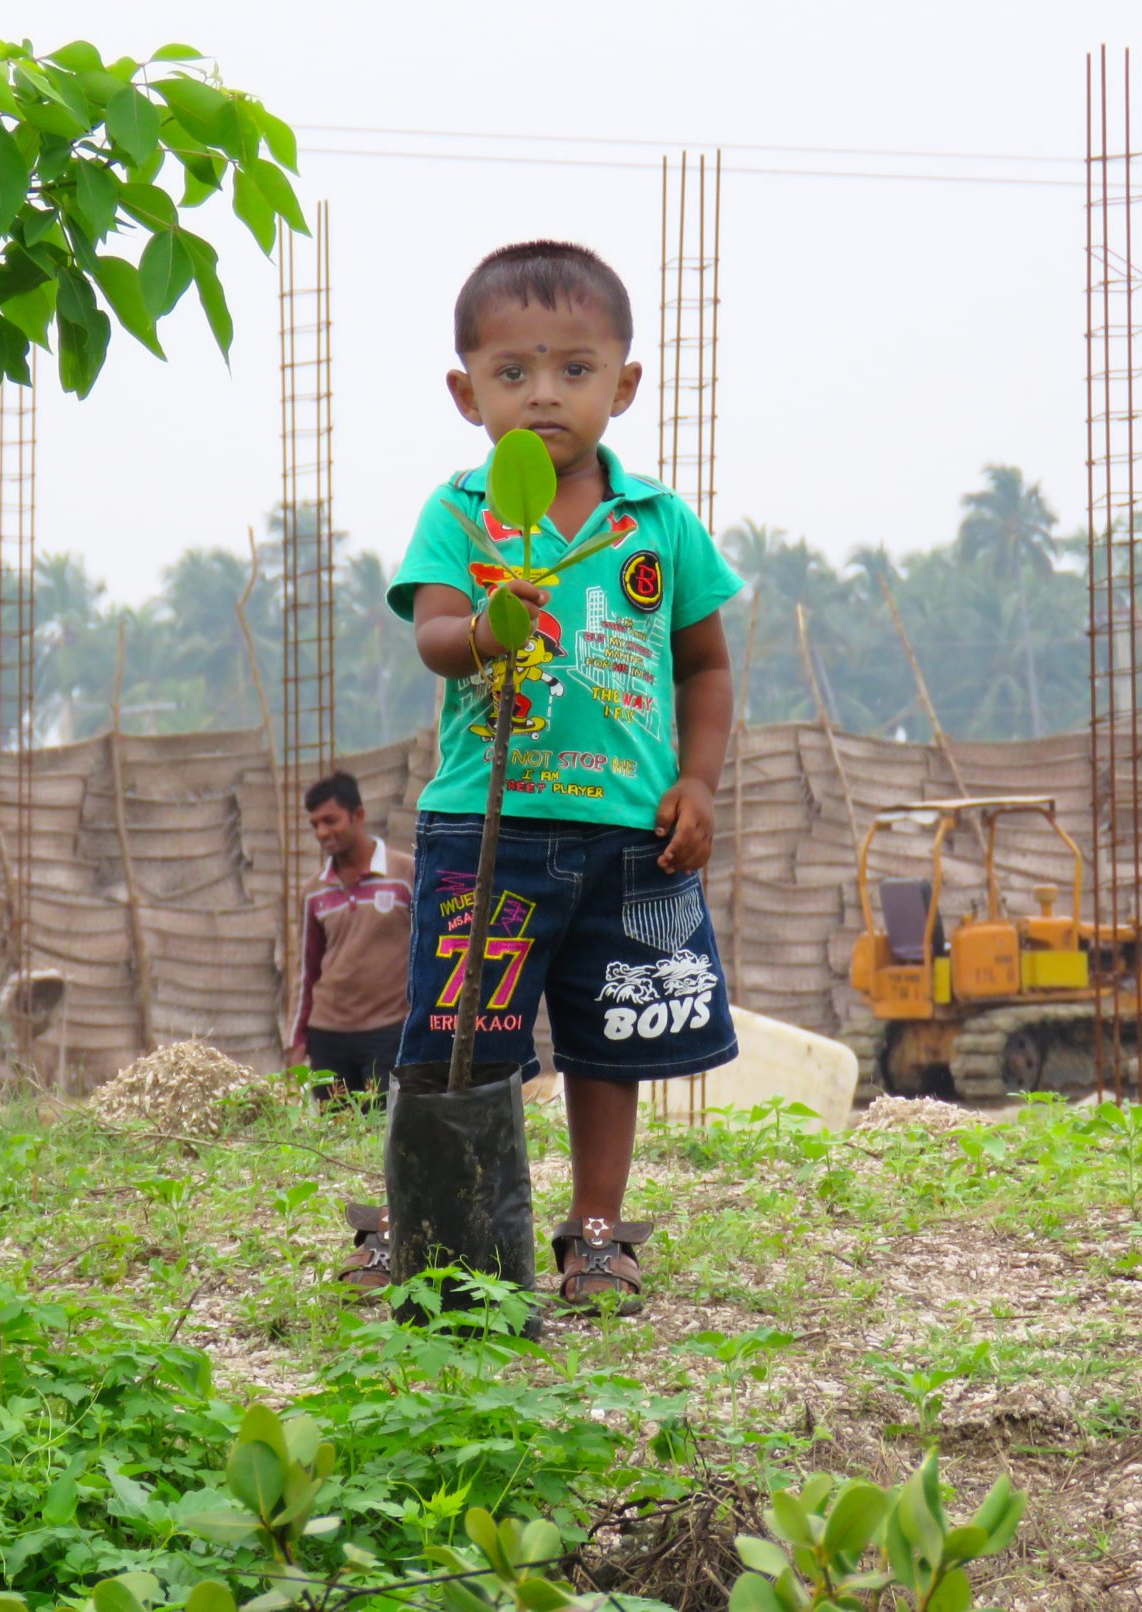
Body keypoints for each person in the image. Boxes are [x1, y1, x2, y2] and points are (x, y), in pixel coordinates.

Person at [378, 239, 743, 1316]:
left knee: (608, 1037)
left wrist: (700, 783)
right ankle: (433, 1227)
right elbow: (434, 636)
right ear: (465, 391)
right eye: (511, 372)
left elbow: (705, 665)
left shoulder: (657, 525)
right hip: (485, 830)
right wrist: (489, 626)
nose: (543, 394)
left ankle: (593, 1233)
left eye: (574, 370)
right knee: (457, 1037)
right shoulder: (461, 514)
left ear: (622, 384)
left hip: (626, 832)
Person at [287, 771, 415, 1105]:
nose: (322, 833)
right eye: (315, 825)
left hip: (390, 1032)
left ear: (358, 815)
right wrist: (297, 1039)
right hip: (328, 1035)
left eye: (330, 821)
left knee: (387, 1133)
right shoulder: (314, 891)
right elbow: (307, 972)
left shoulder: (405, 875)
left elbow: (432, 951)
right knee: (337, 1140)